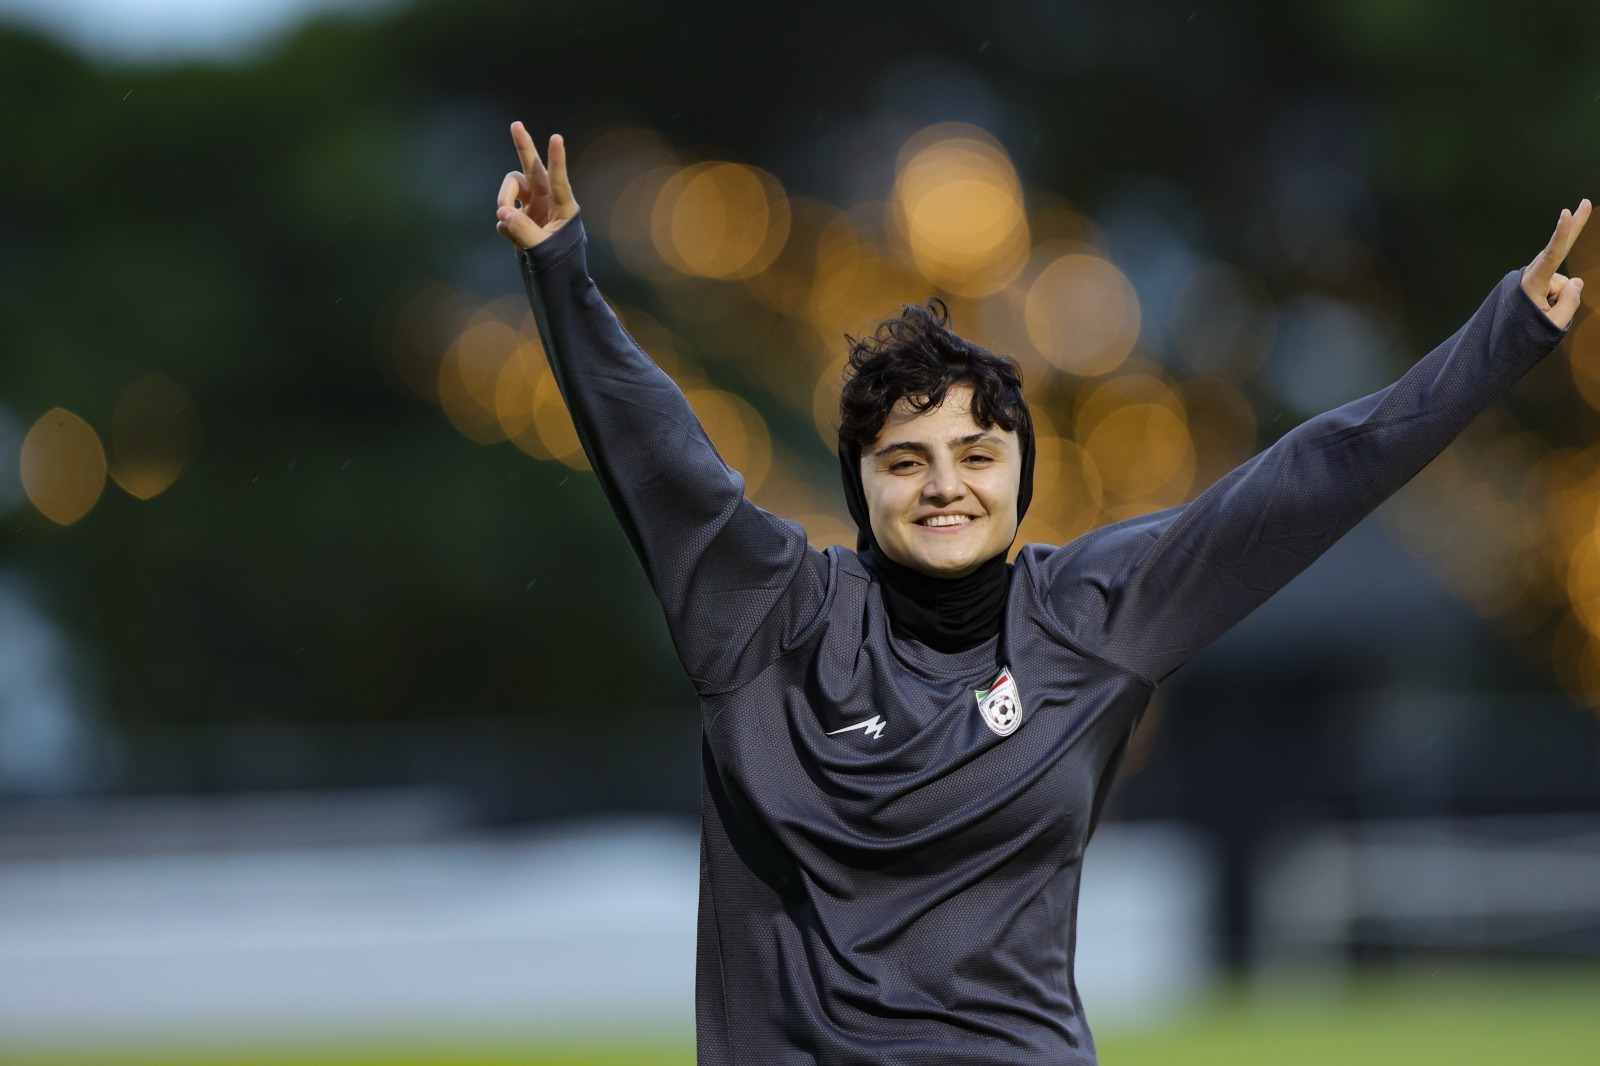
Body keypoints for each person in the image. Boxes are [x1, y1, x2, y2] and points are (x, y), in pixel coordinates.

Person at [493, 120, 1588, 1065]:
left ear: (1020, 478)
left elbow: (1308, 478)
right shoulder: (768, 619)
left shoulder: (1092, 614)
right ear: (860, 486)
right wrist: (563, 271)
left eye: (977, 454)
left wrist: (1506, 334)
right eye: (905, 459)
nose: (945, 485)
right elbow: (661, 457)